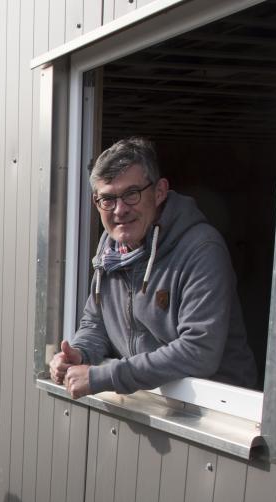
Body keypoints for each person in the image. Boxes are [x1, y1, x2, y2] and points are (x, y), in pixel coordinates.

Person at [49, 137, 258, 399]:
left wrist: (106, 376)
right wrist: (78, 353)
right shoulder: (110, 251)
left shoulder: (201, 249)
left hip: (216, 411)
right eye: (108, 199)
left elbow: (199, 351)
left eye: (131, 194)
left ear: (159, 192)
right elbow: (96, 323)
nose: (120, 210)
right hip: (154, 400)